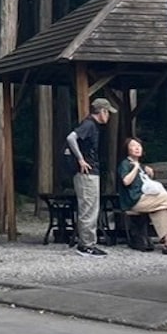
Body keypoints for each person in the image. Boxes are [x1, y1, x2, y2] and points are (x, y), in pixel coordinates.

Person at [63, 96, 117, 257]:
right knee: (89, 208)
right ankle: (86, 245)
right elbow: (70, 137)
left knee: (90, 207)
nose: (108, 116)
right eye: (108, 112)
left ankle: (87, 243)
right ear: (102, 111)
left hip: (88, 173)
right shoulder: (89, 124)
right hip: (86, 174)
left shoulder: (91, 125)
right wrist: (81, 159)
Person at [117, 137, 167, 255]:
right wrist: (135, 168)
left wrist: (148, 172)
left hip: (145, 199)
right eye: (133, 146)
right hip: (134, 201)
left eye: (139, 146)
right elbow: (126, 181)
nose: (137, 148)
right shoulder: (125, 164)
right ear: (127, 149)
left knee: (162, 209)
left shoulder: (141, 166)